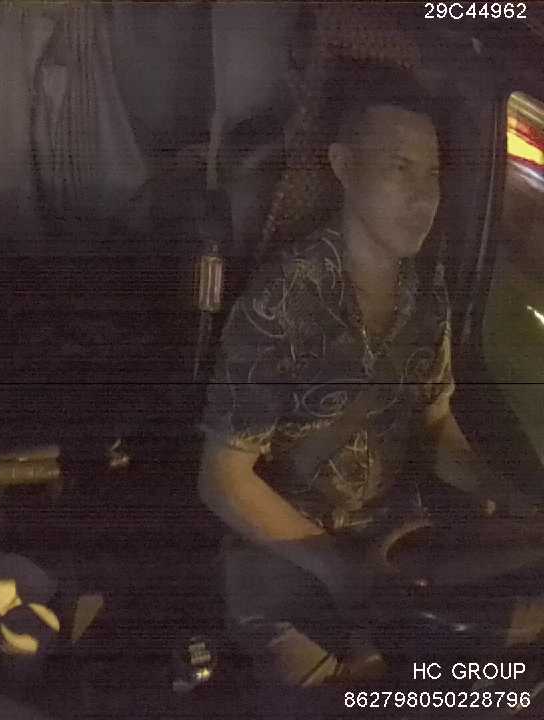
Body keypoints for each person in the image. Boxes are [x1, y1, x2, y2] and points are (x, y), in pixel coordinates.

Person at [197, 60, 544, 708]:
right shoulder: (284, 302)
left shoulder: (427, 291)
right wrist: (337, 566)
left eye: (432, 174)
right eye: (399, 168)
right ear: (343, 166)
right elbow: (223, 478)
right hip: (285, 559)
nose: (423, 196)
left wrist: (505, 491)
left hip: (394, 545)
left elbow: (435, 425)